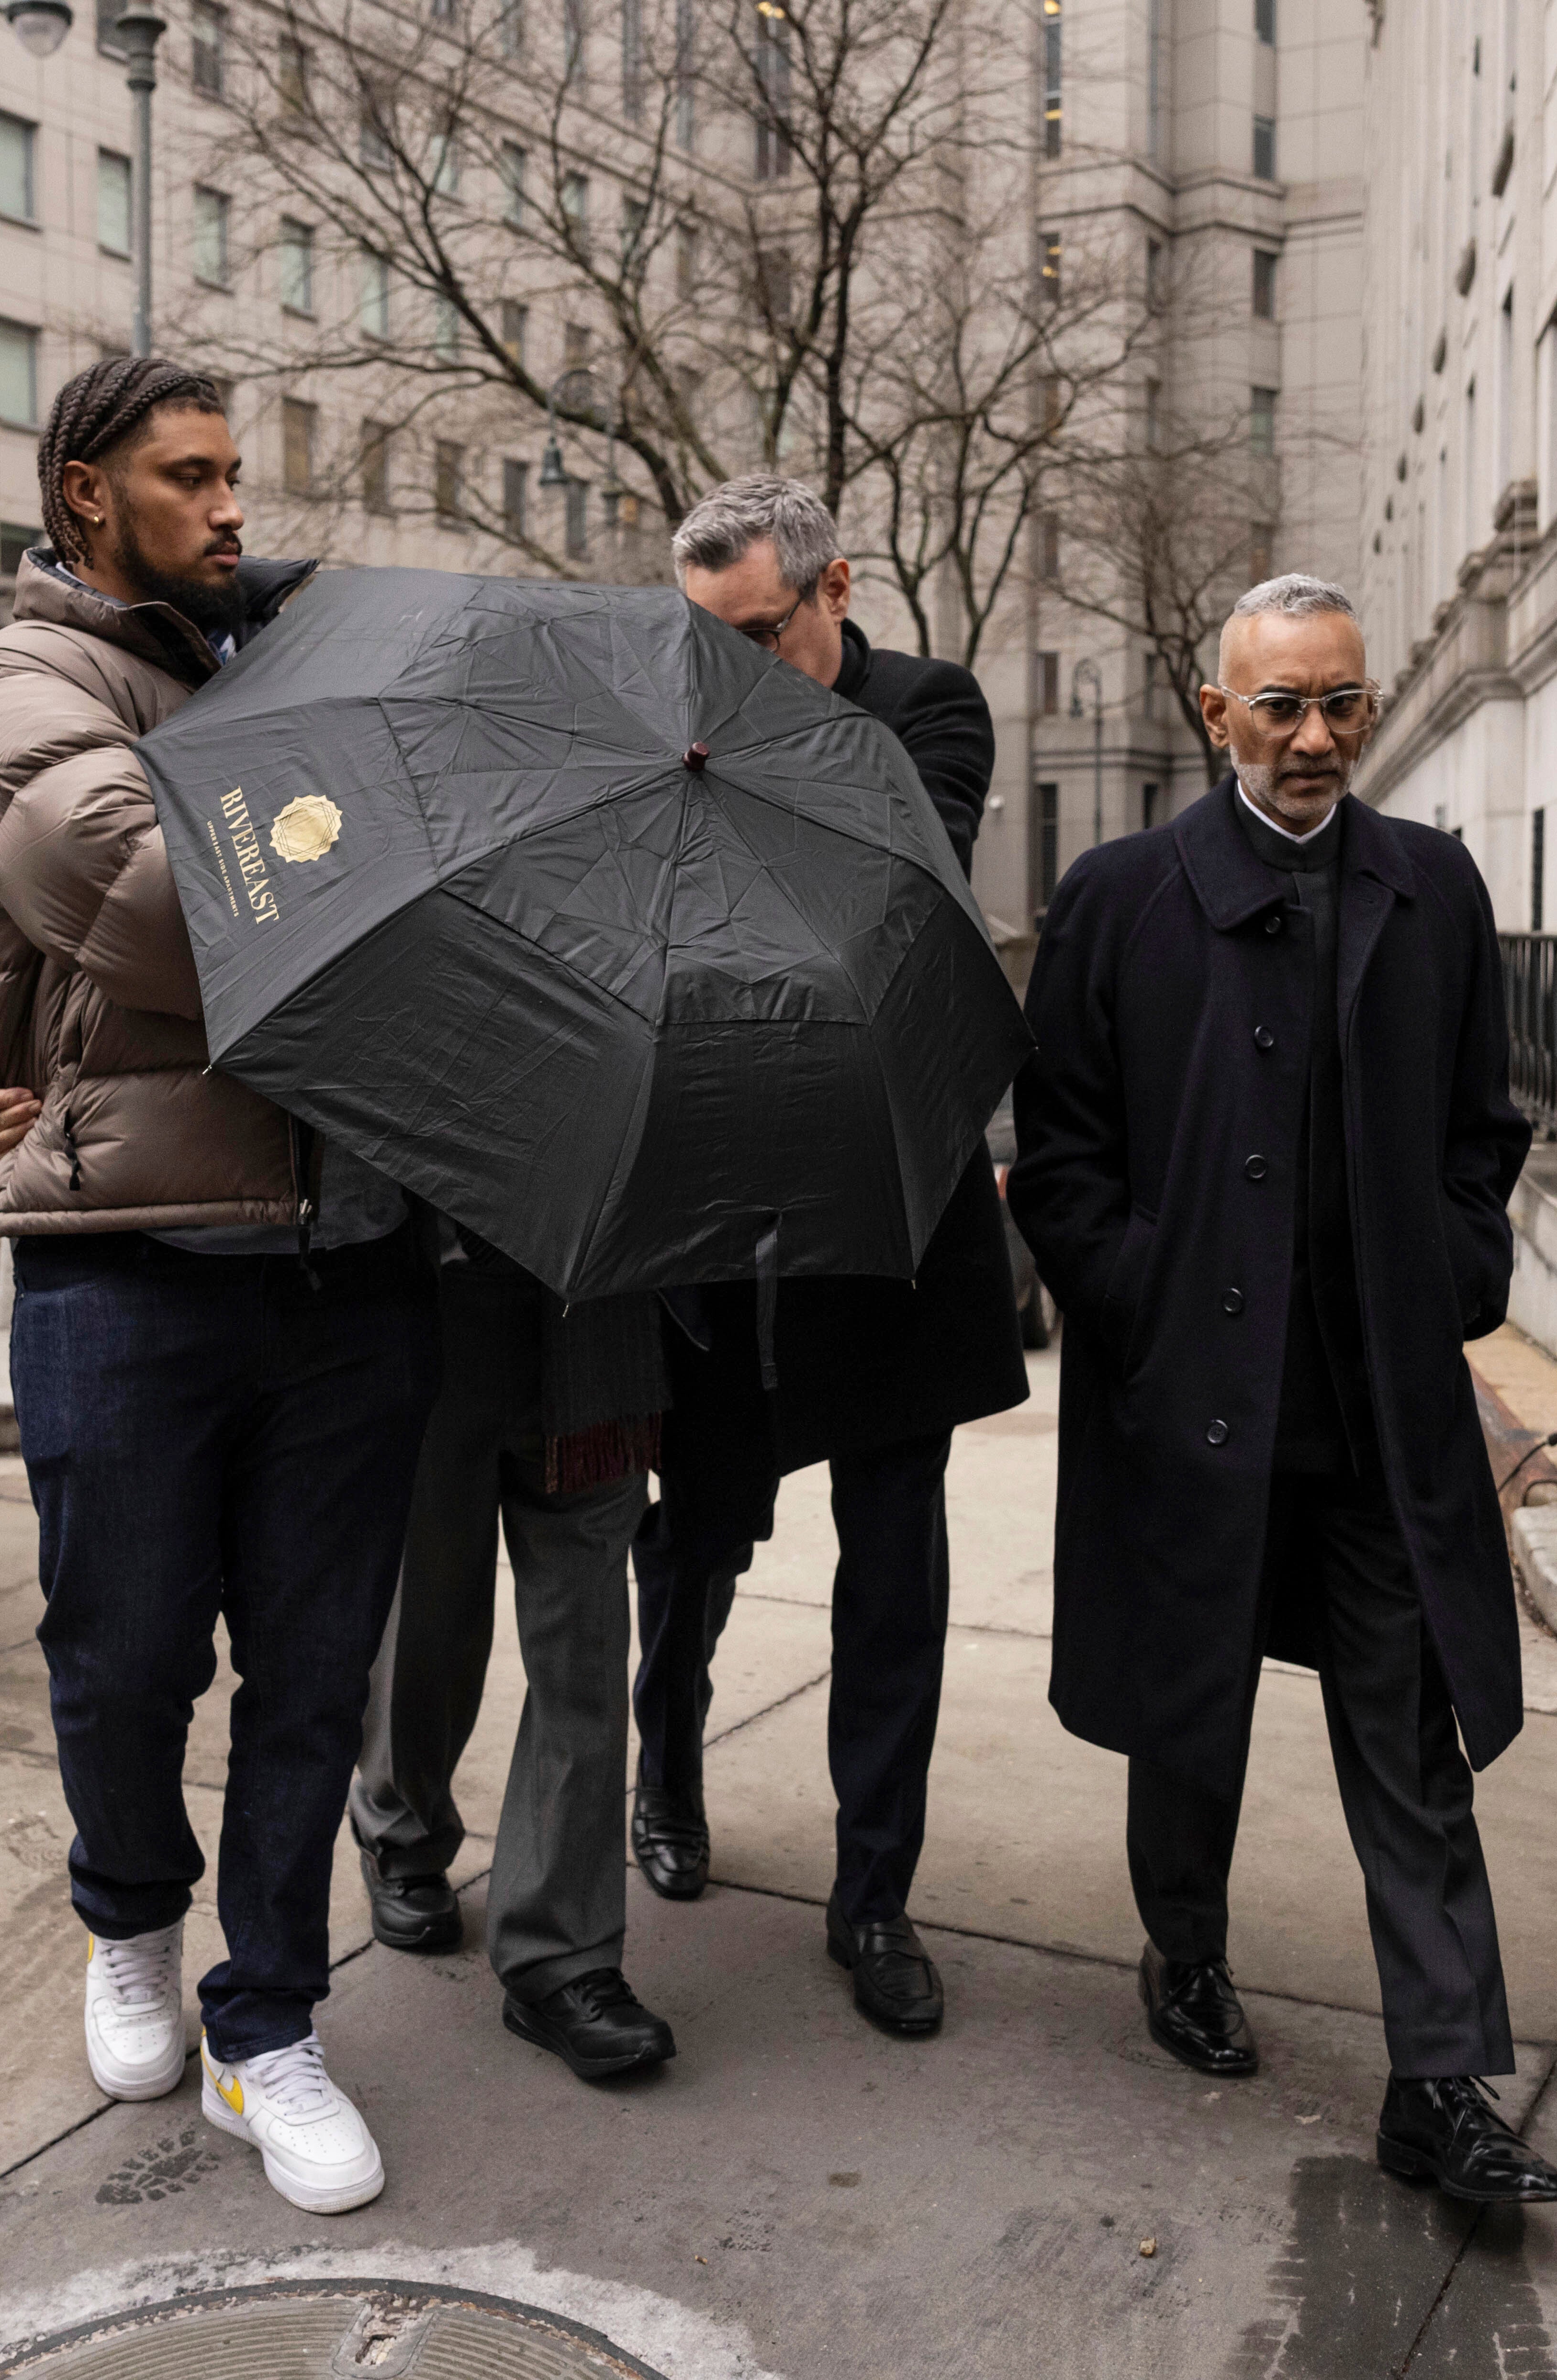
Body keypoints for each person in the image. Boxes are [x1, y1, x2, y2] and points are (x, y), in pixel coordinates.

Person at [0, 355, 435, 2216]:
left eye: (239, 477)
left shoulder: (270, 674)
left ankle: (268, 2022)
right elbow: (152, 894)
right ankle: (128, 1914)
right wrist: (393, 856)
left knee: (312, 1683)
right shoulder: (23, 687)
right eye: (190, 476)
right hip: (132, 1267)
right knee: (124, 1656)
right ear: (85, 497)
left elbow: (293, 891)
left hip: (356, 1262)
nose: (234, 508)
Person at [1010, 571, 1557, 2206]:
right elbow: (1059, 1158)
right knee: (1188, 1707)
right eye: (1281, 706)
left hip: (1379, 1411)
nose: (1315, 736)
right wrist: (1133, 1292)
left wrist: (1461, 1269)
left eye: (1341, 703)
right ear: (1214, 713)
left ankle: (1442, 2078)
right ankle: (1181, 1952)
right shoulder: (1119, 898)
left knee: (1409, 1733)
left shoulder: (1434, 889)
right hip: (1188, 1401)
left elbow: (1485, 1129)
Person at [634, 474, 1027, 2039]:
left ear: (833, 588)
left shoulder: (929, 709)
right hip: (724, 1203)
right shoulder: (681, 735)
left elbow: (888, 884)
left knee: (894, 1563)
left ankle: (875, 1891)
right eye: (700, 643)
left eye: (753, 632)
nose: (723, 669)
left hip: (886, 1204)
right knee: (701, 1536)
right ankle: (665, 1773)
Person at [347, 1238, 677, 2079]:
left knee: (586, 1646)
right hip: (432, 1293)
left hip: (596, 1311)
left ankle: (562, 1955)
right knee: (430, 1608)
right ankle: (402, 1827)